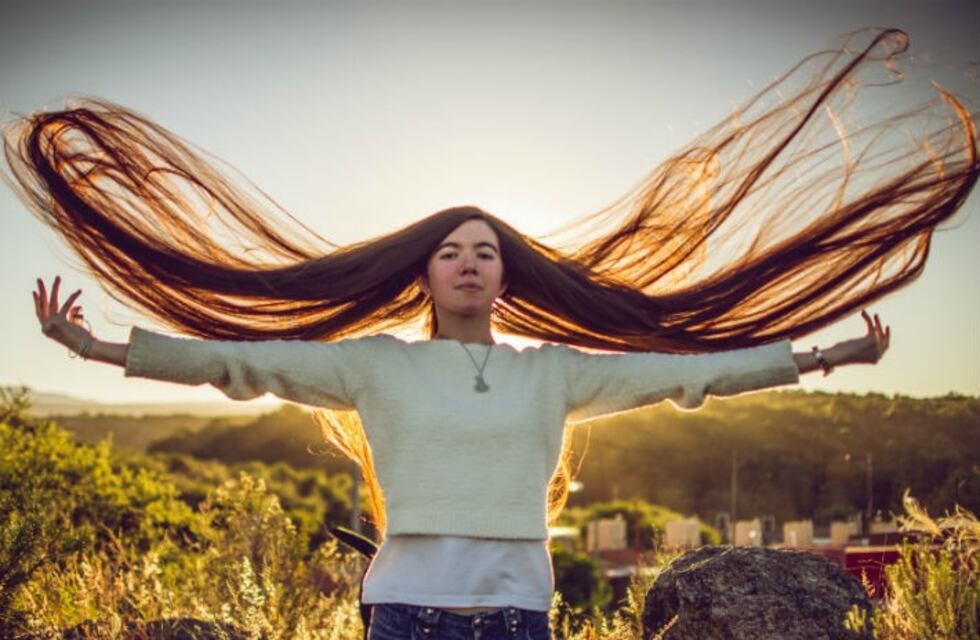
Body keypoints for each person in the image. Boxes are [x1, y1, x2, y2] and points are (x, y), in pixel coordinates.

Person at [9, 26, 975, 640]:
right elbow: (240, 363)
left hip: (518, 612)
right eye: (450, 251)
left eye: (486, 250)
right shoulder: (374, 367)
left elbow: (692, 374)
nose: (469, 261)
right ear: (424, 272)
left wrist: (823, 356)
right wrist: (99, 350)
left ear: (507, 274)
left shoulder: (553, 375)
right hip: (405, 613)